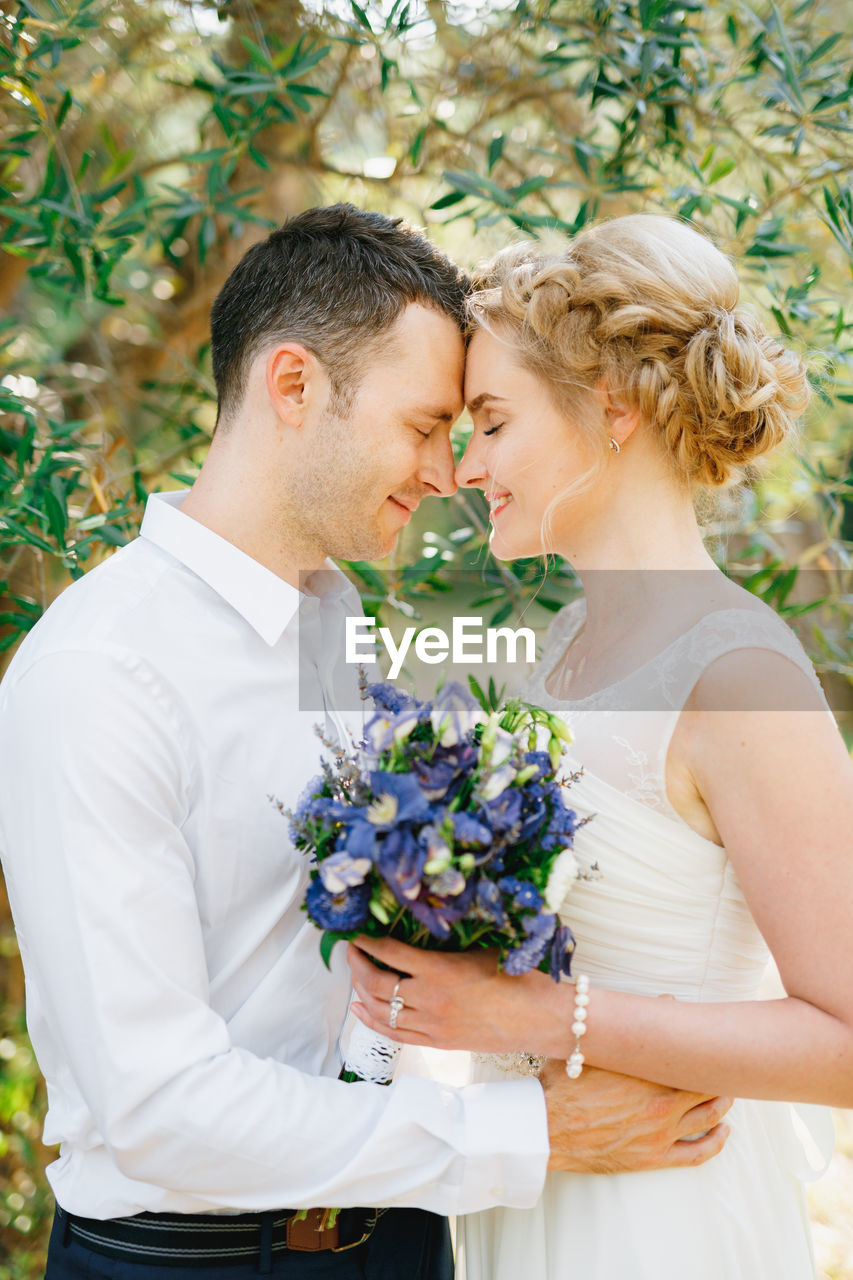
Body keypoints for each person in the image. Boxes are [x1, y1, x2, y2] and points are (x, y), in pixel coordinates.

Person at [0, 205, 732, 1280]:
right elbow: (157, 1104)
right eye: (425, 424)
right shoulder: (100, 671)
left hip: (402, 1236)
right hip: (197, 1261)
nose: (447, 472)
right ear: (292, 387)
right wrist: (529, 1133)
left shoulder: (339, 620)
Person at [346, 213, 853, 1279]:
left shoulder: (738, 674)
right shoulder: (561, 644)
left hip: (666, 1212)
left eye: (490, 422)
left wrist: (540, 1010)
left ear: (611, 410)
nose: (465, 465)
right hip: (536, 1185)